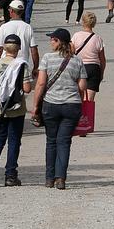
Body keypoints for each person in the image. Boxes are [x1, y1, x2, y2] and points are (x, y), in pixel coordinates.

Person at [31, 28, 87, 190]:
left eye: (53, 40)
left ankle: (49, 178)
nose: (50, 42)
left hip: (51, 105)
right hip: (71, 105)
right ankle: (61, 178)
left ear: (59, 42)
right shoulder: (77, 61)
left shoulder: (47, 59)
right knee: (64, 142)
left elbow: (41, 83)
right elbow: (82, 86)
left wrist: (35, 106)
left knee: (51, 141)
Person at [0, 34, 33, 187]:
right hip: (16, 109)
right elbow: (27, 88)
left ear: (4, 48)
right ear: (19, 48)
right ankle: (10, 175)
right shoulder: (22, 65)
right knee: (14, 141)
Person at [0, 0, 39, 76]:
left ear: (11, 11)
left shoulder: (4, 27)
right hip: (22, 65)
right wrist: (35, 67)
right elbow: (34, 50)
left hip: (6, 65)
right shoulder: (28, 27)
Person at [71, 12, 106, 101]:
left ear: (83, 22)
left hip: (79, 67)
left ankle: (78, 114)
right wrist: (101, 73)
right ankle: (88, 114)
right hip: (93, 69)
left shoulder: (76, 36)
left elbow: (71, 53)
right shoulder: (98, 38)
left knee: (78, 98)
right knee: (89, 100)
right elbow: (102, 59)